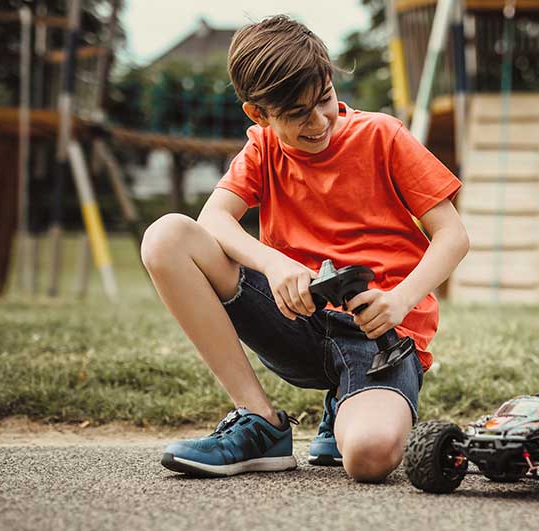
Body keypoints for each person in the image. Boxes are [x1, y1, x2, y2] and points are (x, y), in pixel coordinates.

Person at [140, 14, 469, 483]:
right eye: (296, 114)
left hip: (377, 336)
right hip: (294, 319)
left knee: (370, 458)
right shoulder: (262, 148)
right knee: (167, 236)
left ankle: (346, 405)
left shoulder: (383, 135)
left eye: (325, 101)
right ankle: (259, 422)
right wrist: (275, 264)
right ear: (259, 114)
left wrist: (400, 300)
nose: (318, 122)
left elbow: (453, 235)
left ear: (331, 81)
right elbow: (211, 218)